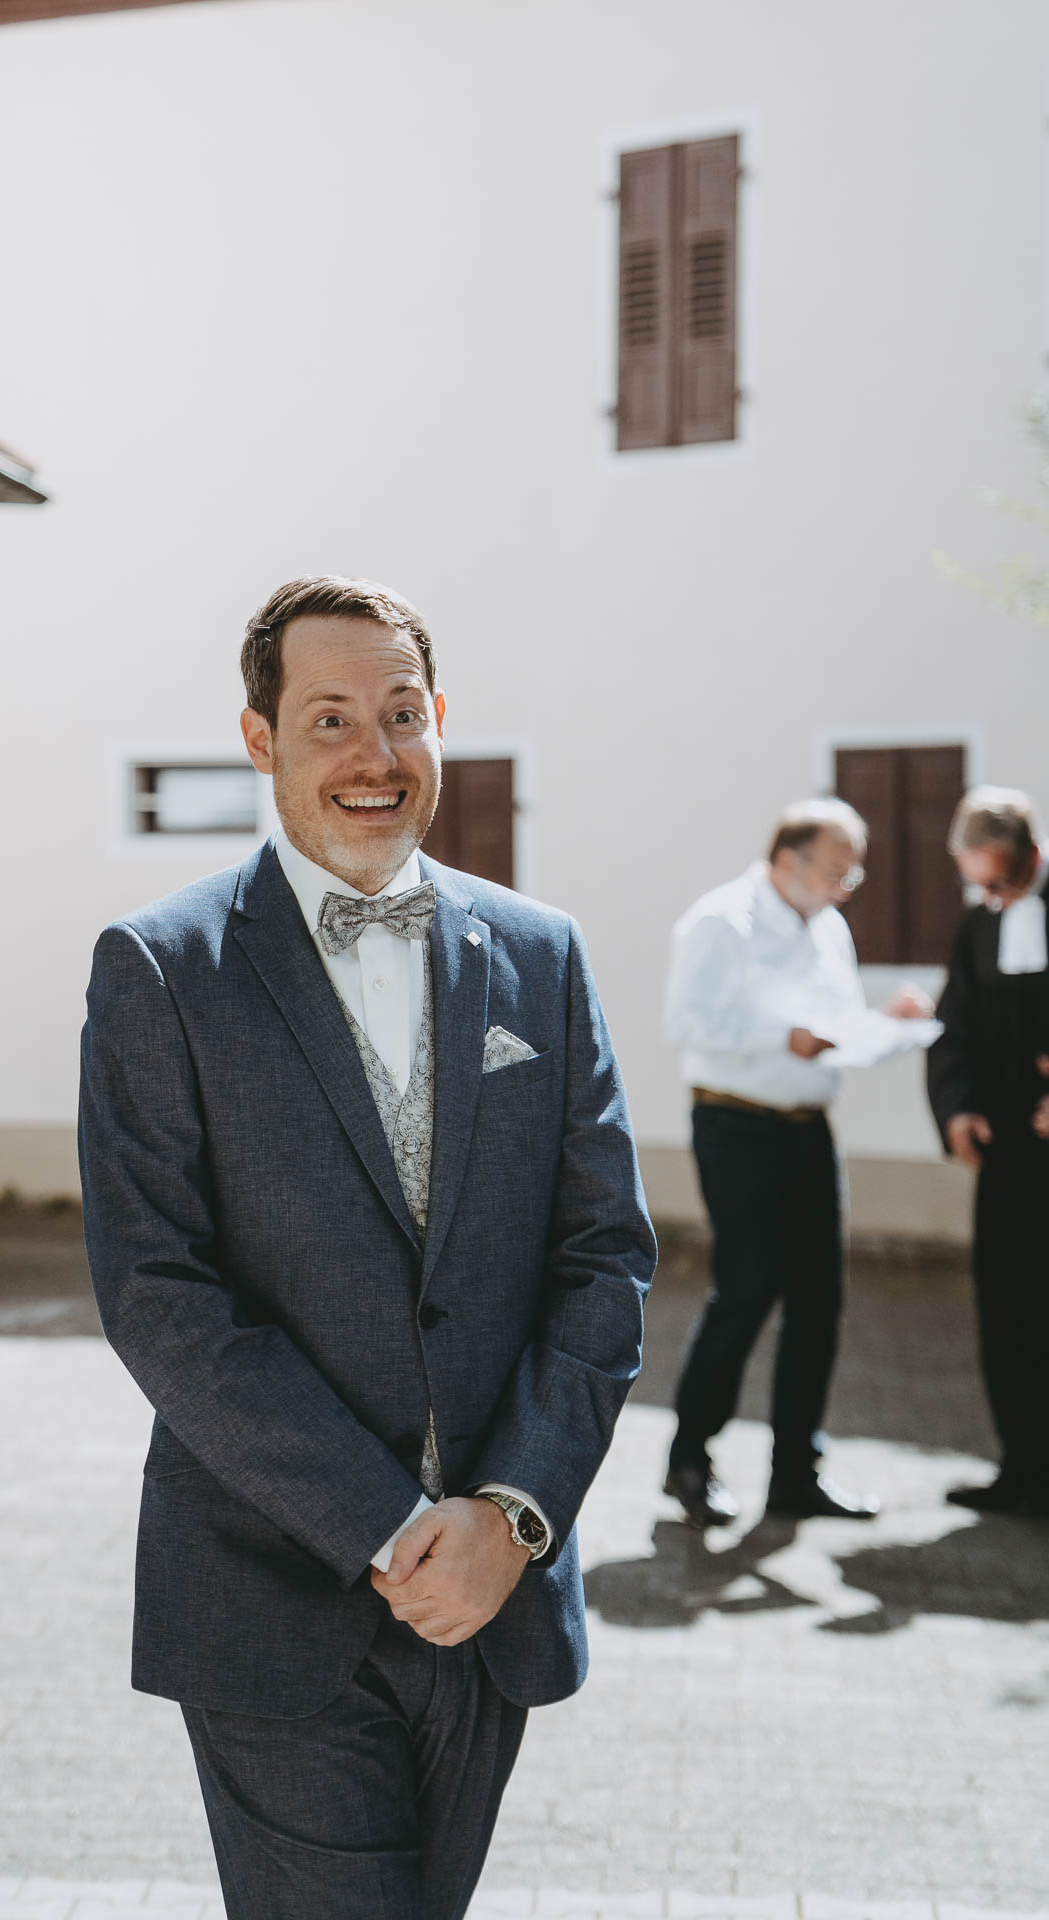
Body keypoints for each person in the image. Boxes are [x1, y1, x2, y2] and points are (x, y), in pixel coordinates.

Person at [78, 575, 656, 1920]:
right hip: (270, 1594)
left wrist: (511, 1518)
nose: (373, 755)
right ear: (260, 738)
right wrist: (390, 1528)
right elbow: (159, 1297)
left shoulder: (542, 956)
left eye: (401, 713)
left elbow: (603, 1259)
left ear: (440, 720)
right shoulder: (161, 969)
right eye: (329, 718)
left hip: (492, 1602)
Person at [662, 800, 933, 1528]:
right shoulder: (722, 921)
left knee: (820, 1300)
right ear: (787, 859)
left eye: (854, 872)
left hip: (810, 1129)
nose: (847, 885)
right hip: (736, 1124)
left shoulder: (829, 928)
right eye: (837, 869)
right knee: (746, 1291)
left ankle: (795, 1475)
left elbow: (834, 1029)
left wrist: (886, 1025)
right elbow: (687, 1022)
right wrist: (785, 1037)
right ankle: (689, 1460)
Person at [927, 786, 1049, 1517]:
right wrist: (958, 1108)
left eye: (1000, 882)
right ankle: (1024, 1470)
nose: (990, 898)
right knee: (1007, 1309)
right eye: (978, 885)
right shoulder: (978, 927)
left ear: (1032, 855)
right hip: (1008, 1152)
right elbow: (955, 1027)